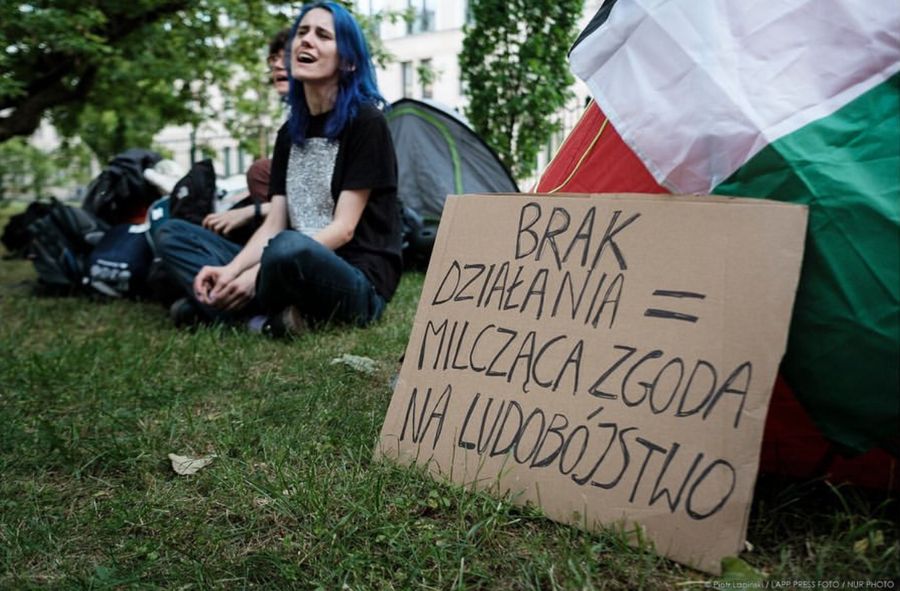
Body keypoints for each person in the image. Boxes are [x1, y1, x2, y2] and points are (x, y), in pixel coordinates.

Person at [153, 1, 402, 336]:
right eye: (302, 32)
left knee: (288, 247)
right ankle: (265, 318)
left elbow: (343, 229)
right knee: (172, 232)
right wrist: (232, 270)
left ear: (348, 61)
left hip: (354, 278)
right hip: (287, 264)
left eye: (323, 35)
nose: (307, 41)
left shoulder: (366, 122)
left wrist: (255, 275)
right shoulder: (290, 132)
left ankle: (234, 313)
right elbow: (274, 223)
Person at [201, 27, 292, 241]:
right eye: (274, 59)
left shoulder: (360, 120)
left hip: (315, 246)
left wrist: (254, 210)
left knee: (259, 171)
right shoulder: (290, 127)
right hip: (286, 240)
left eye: (287, 58)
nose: (278, 65)